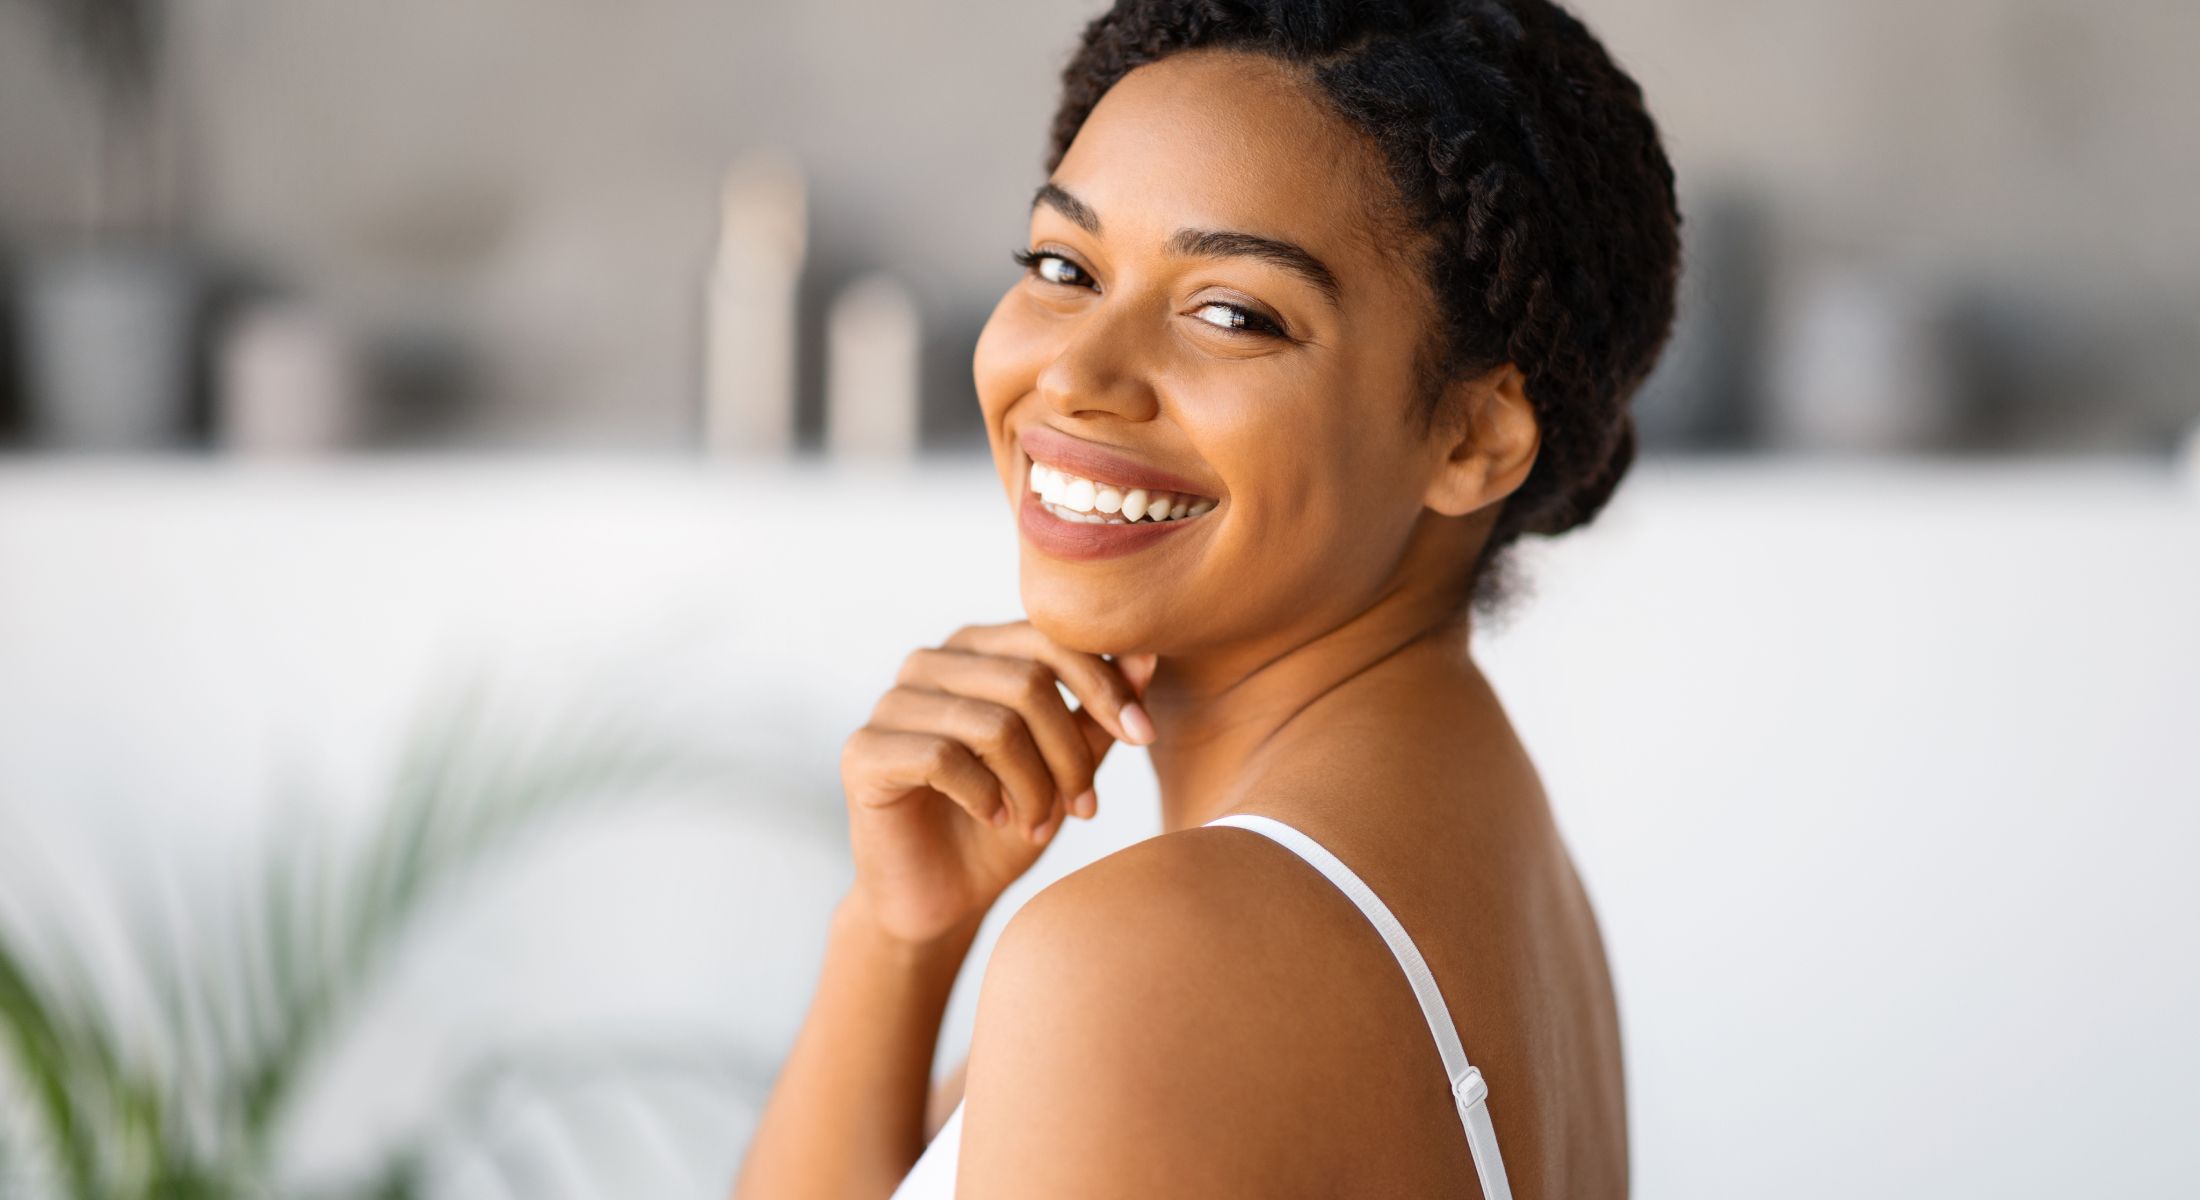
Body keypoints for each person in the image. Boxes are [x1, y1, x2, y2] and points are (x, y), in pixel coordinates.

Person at [732, 0, 1678, 1194]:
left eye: (1232, 313)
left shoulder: (1165, 953)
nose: (1075, 373)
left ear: (1473, 438)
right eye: (1062, 267)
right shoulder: (1475, 854)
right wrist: (896, 937)